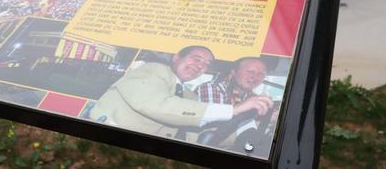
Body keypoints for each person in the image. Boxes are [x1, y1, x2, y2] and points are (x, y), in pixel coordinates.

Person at [88, 46, 259, 140]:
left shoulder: (189, 96)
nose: (200, 66)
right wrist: (233, 110)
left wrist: (246, 139)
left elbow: (197, 130)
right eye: (196, 58)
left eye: (206, 64)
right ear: (177, 57)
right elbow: (156, 105)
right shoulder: (153, 70)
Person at [195, 57, 274, 150]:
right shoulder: (212, 88)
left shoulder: (254, 98)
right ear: (233, 73)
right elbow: (213, 128)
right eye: (250, 71)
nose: (255, 77)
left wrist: (269, 121)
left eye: (261, 74)